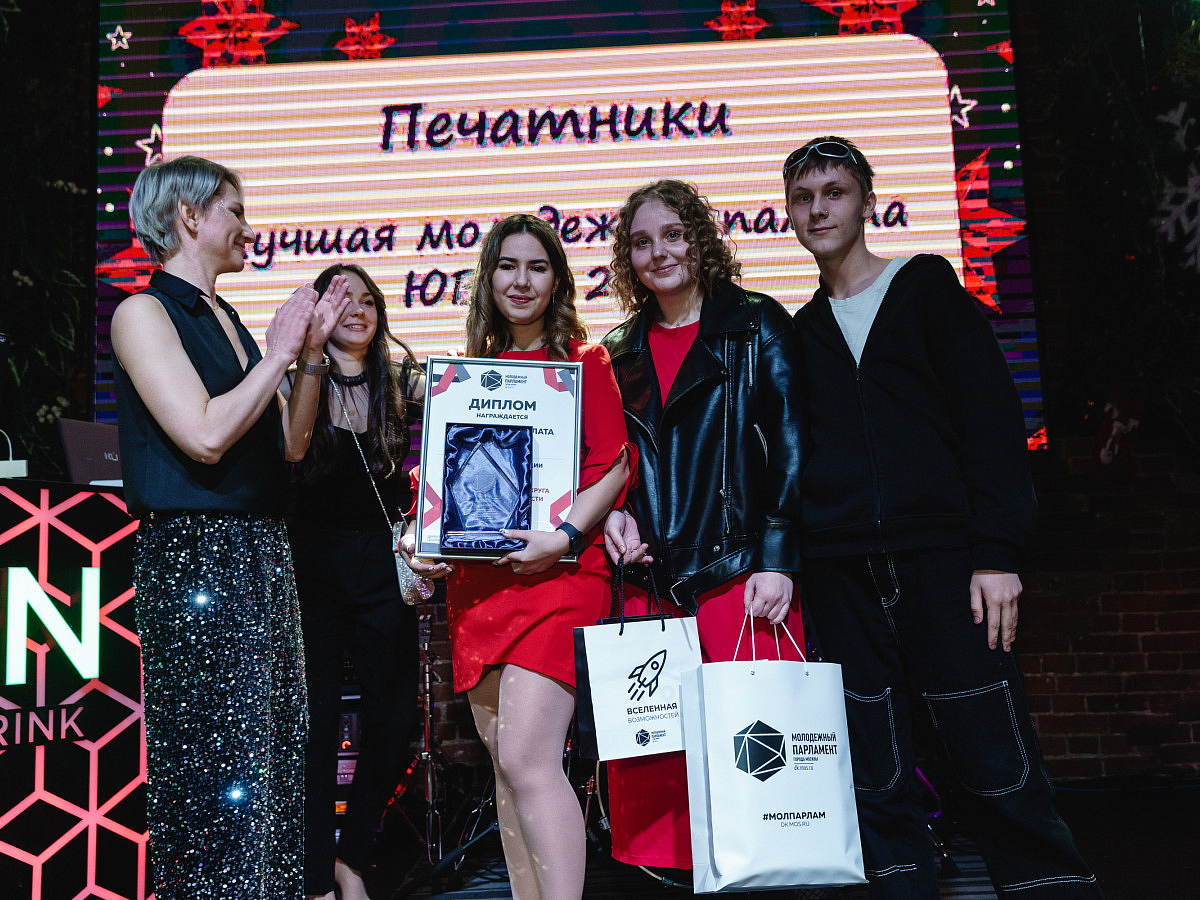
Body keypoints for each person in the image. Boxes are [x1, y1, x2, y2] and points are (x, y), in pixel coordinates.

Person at [783, 136, 1102, 898]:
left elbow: (992, 424)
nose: (818, 210)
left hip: (947, 565)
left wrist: (996, 553)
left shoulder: (926, 290)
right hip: (842, 576)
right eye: (803, 198)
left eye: (834, 192)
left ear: (867, 201)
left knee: (996, 759)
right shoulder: (801, 332)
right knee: (878, 776)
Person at [111, 155, 350, 900]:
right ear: (188, 216)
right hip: (196, 557)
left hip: (262, 552)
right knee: (215, 769)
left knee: (272, 754)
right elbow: (206, 435)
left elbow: (292, 446)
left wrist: (309, 358)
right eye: (235, 210)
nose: (248, 227)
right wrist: (277, 354)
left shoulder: (231, 321)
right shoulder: (143, 314)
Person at [401, 213, 634, 900]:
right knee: (507, 770)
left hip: (559, 577)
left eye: (538, 266)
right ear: (489, 277)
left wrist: (564, 538)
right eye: (508, 265)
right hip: (479, 590)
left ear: (556, 280)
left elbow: (614, 463)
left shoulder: (584, 363)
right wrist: (422, 540)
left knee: (529, 759)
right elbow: (437, 484)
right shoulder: (466, 375)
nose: (522, 281)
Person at [599, 179, 806, 872]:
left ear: (700, 240)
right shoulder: (617, 351)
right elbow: (610, 463)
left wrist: (776, 556)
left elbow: (792, 445)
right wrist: (614, 514)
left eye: (673, 234)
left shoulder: (756, 323)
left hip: (740, 577)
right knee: (663, 787)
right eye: (641, 242)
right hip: (652, 587)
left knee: (763, 777)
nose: (658, 252)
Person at [289, 264, 425, 900]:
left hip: (381, 569)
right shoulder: (294, 380)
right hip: (311, 568)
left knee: (395, 722)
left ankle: (352, 856)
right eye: (342, 300)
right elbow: (289, 453)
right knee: (315, 728)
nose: (358, 311)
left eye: (368, 300)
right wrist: (310, 360)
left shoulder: (403, 385)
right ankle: (318, 878)